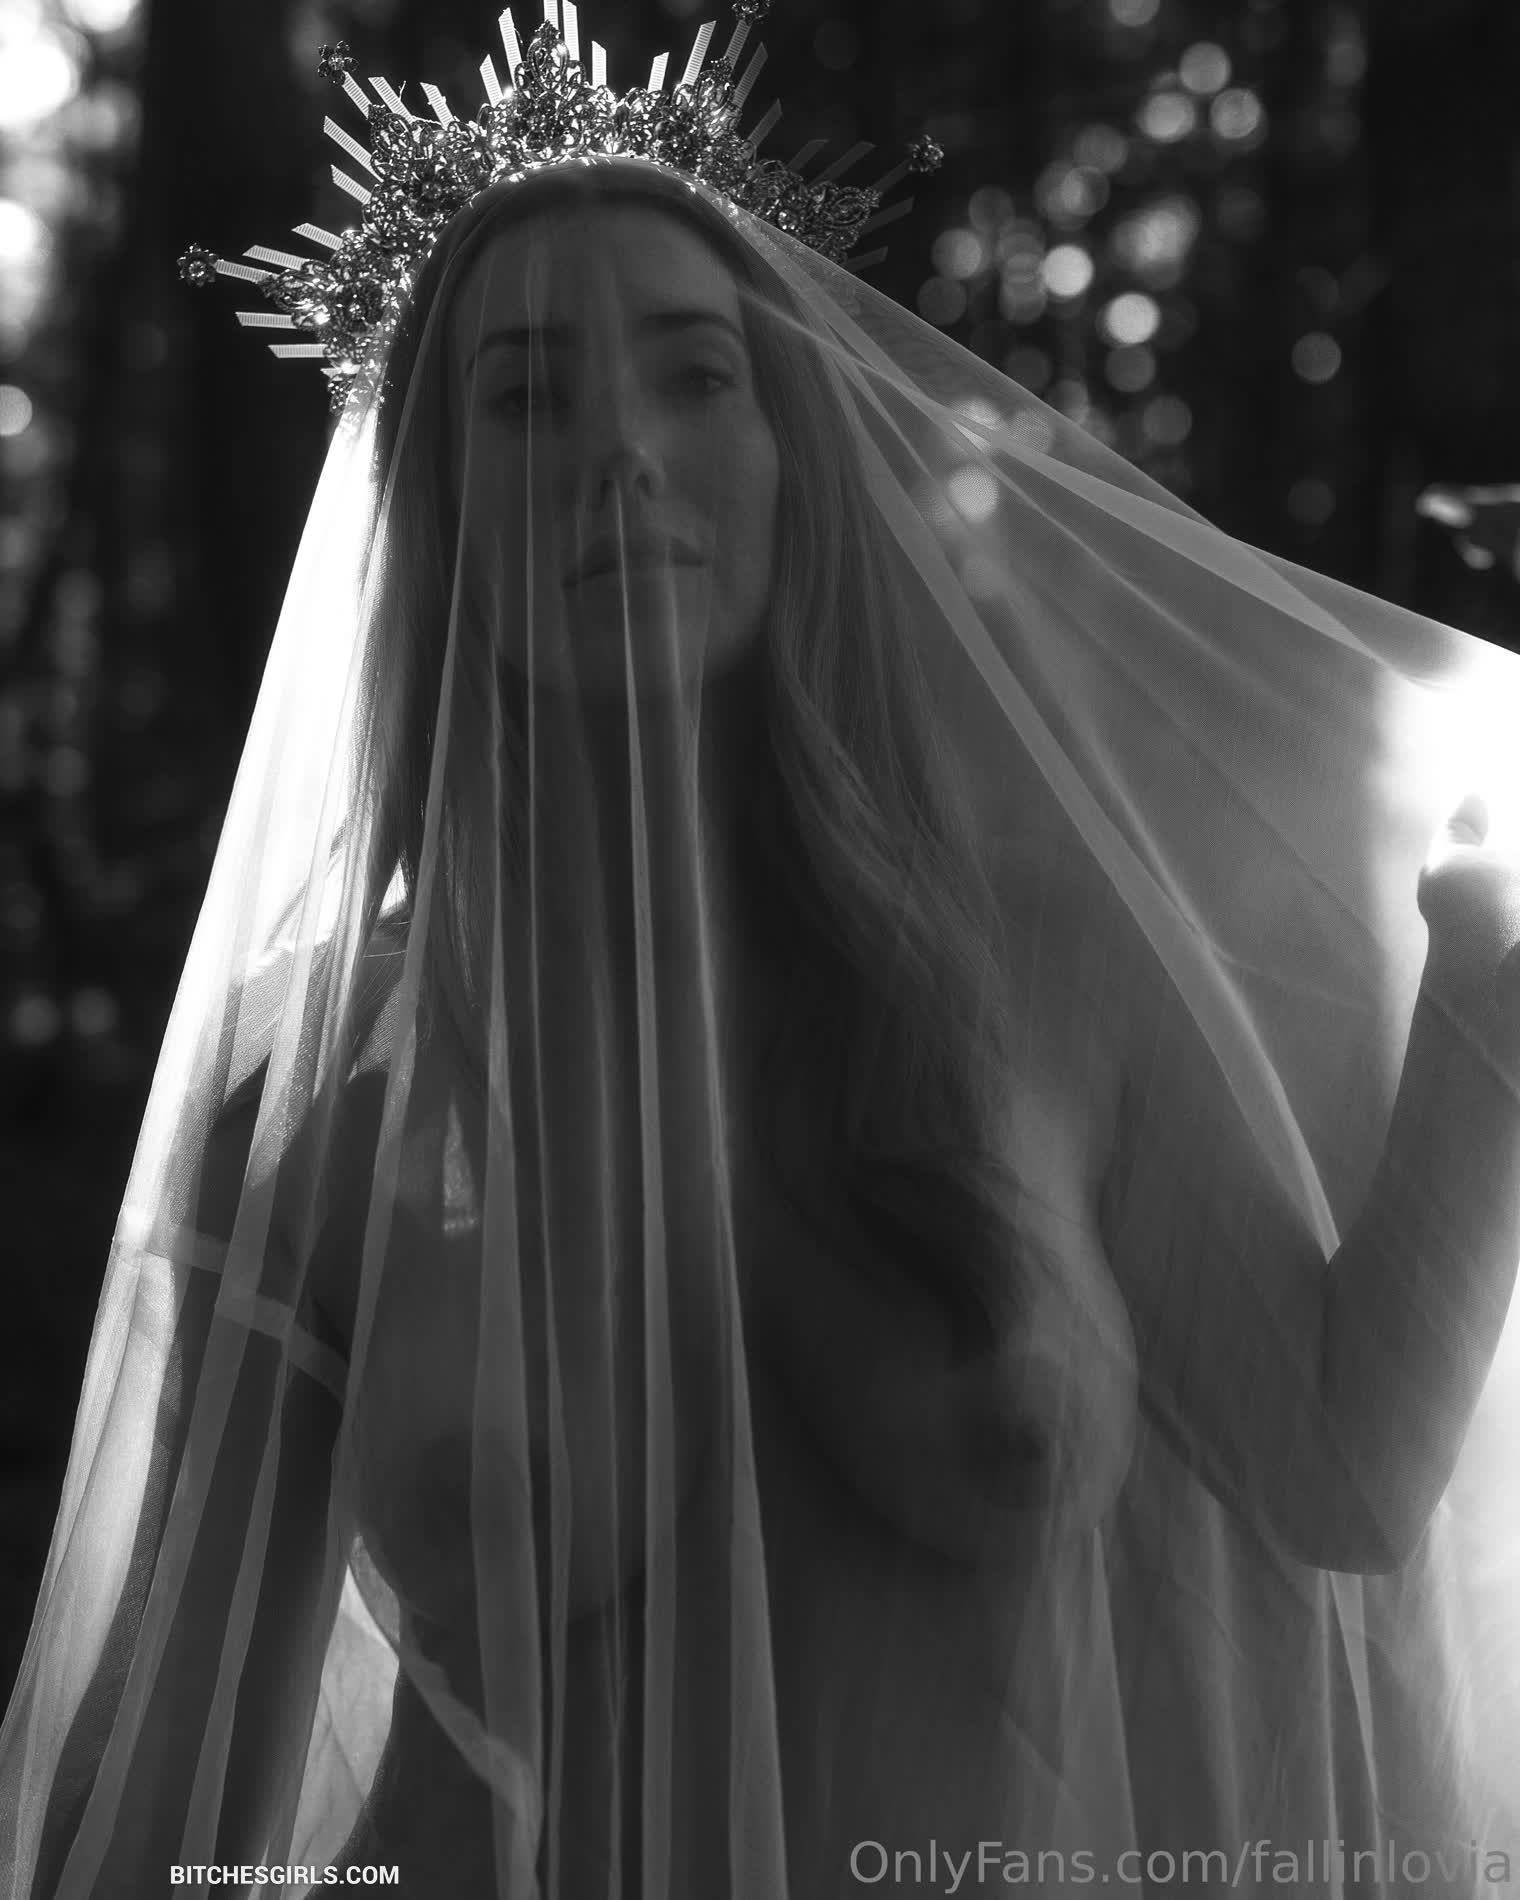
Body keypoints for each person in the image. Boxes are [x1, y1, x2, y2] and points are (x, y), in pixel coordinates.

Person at [6, 10, 1520, 1896]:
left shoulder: (1042, 971)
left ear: (791, 456)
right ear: (437, 515)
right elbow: (179, 1789)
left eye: (695, 374)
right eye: (527, 397)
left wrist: (1491, 965)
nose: (623, 453)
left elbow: (1344, 1477)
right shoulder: (327, 1096)